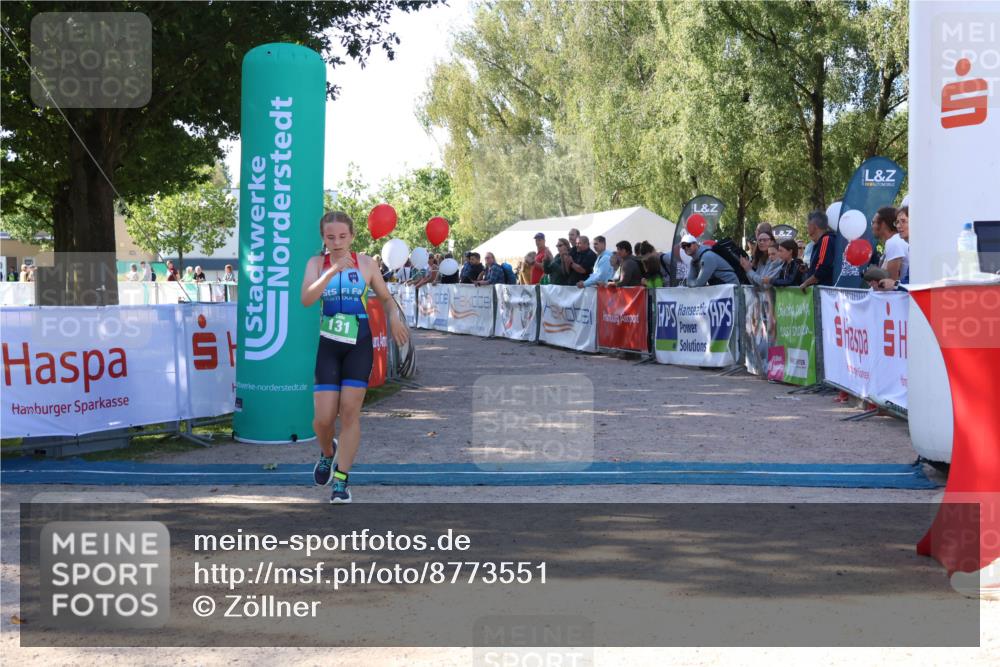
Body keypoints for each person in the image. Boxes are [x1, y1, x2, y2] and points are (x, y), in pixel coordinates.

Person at [300, 211, 409, 504]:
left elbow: (386, 298)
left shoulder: (366, 264)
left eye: (342, 236)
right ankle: (327, 453)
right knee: (322, 420)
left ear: (352, 236)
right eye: (330, 237)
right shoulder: (316, 264)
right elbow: (306, 299)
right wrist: (331, 271)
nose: (336, 242)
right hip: (329, 347)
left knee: (349, 412)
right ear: (323, 238)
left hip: (358, 345)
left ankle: (341, 481)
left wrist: (393, 317)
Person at [798, 211, 836, 292]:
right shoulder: (821, 242)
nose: (807, 228)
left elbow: (823, 269)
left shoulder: (826, 239)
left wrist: (806, 283)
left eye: (808, 224)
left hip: (824, 292)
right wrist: (808, 270)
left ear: (814, 226)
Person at [872, 206, 907, 282]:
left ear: (883, 224)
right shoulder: (895, 240)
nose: (872, 226)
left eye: (873, 222)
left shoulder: (893, 242)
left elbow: (890, 282)